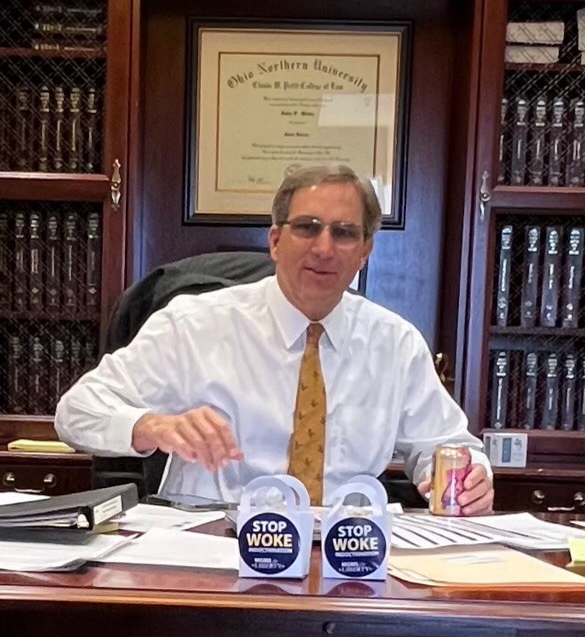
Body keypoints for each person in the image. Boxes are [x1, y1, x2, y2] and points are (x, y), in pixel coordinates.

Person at [55, 164, 493, 514]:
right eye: (307, 228)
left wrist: (470, 477)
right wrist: (153, 426)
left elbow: (446, 445)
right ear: (276, 241)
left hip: (343, 551)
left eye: (343, 232)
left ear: (365, 251)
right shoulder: (194, 325)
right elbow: (76, 412)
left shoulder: (395, 343)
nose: (324, 248)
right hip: (210, 544)